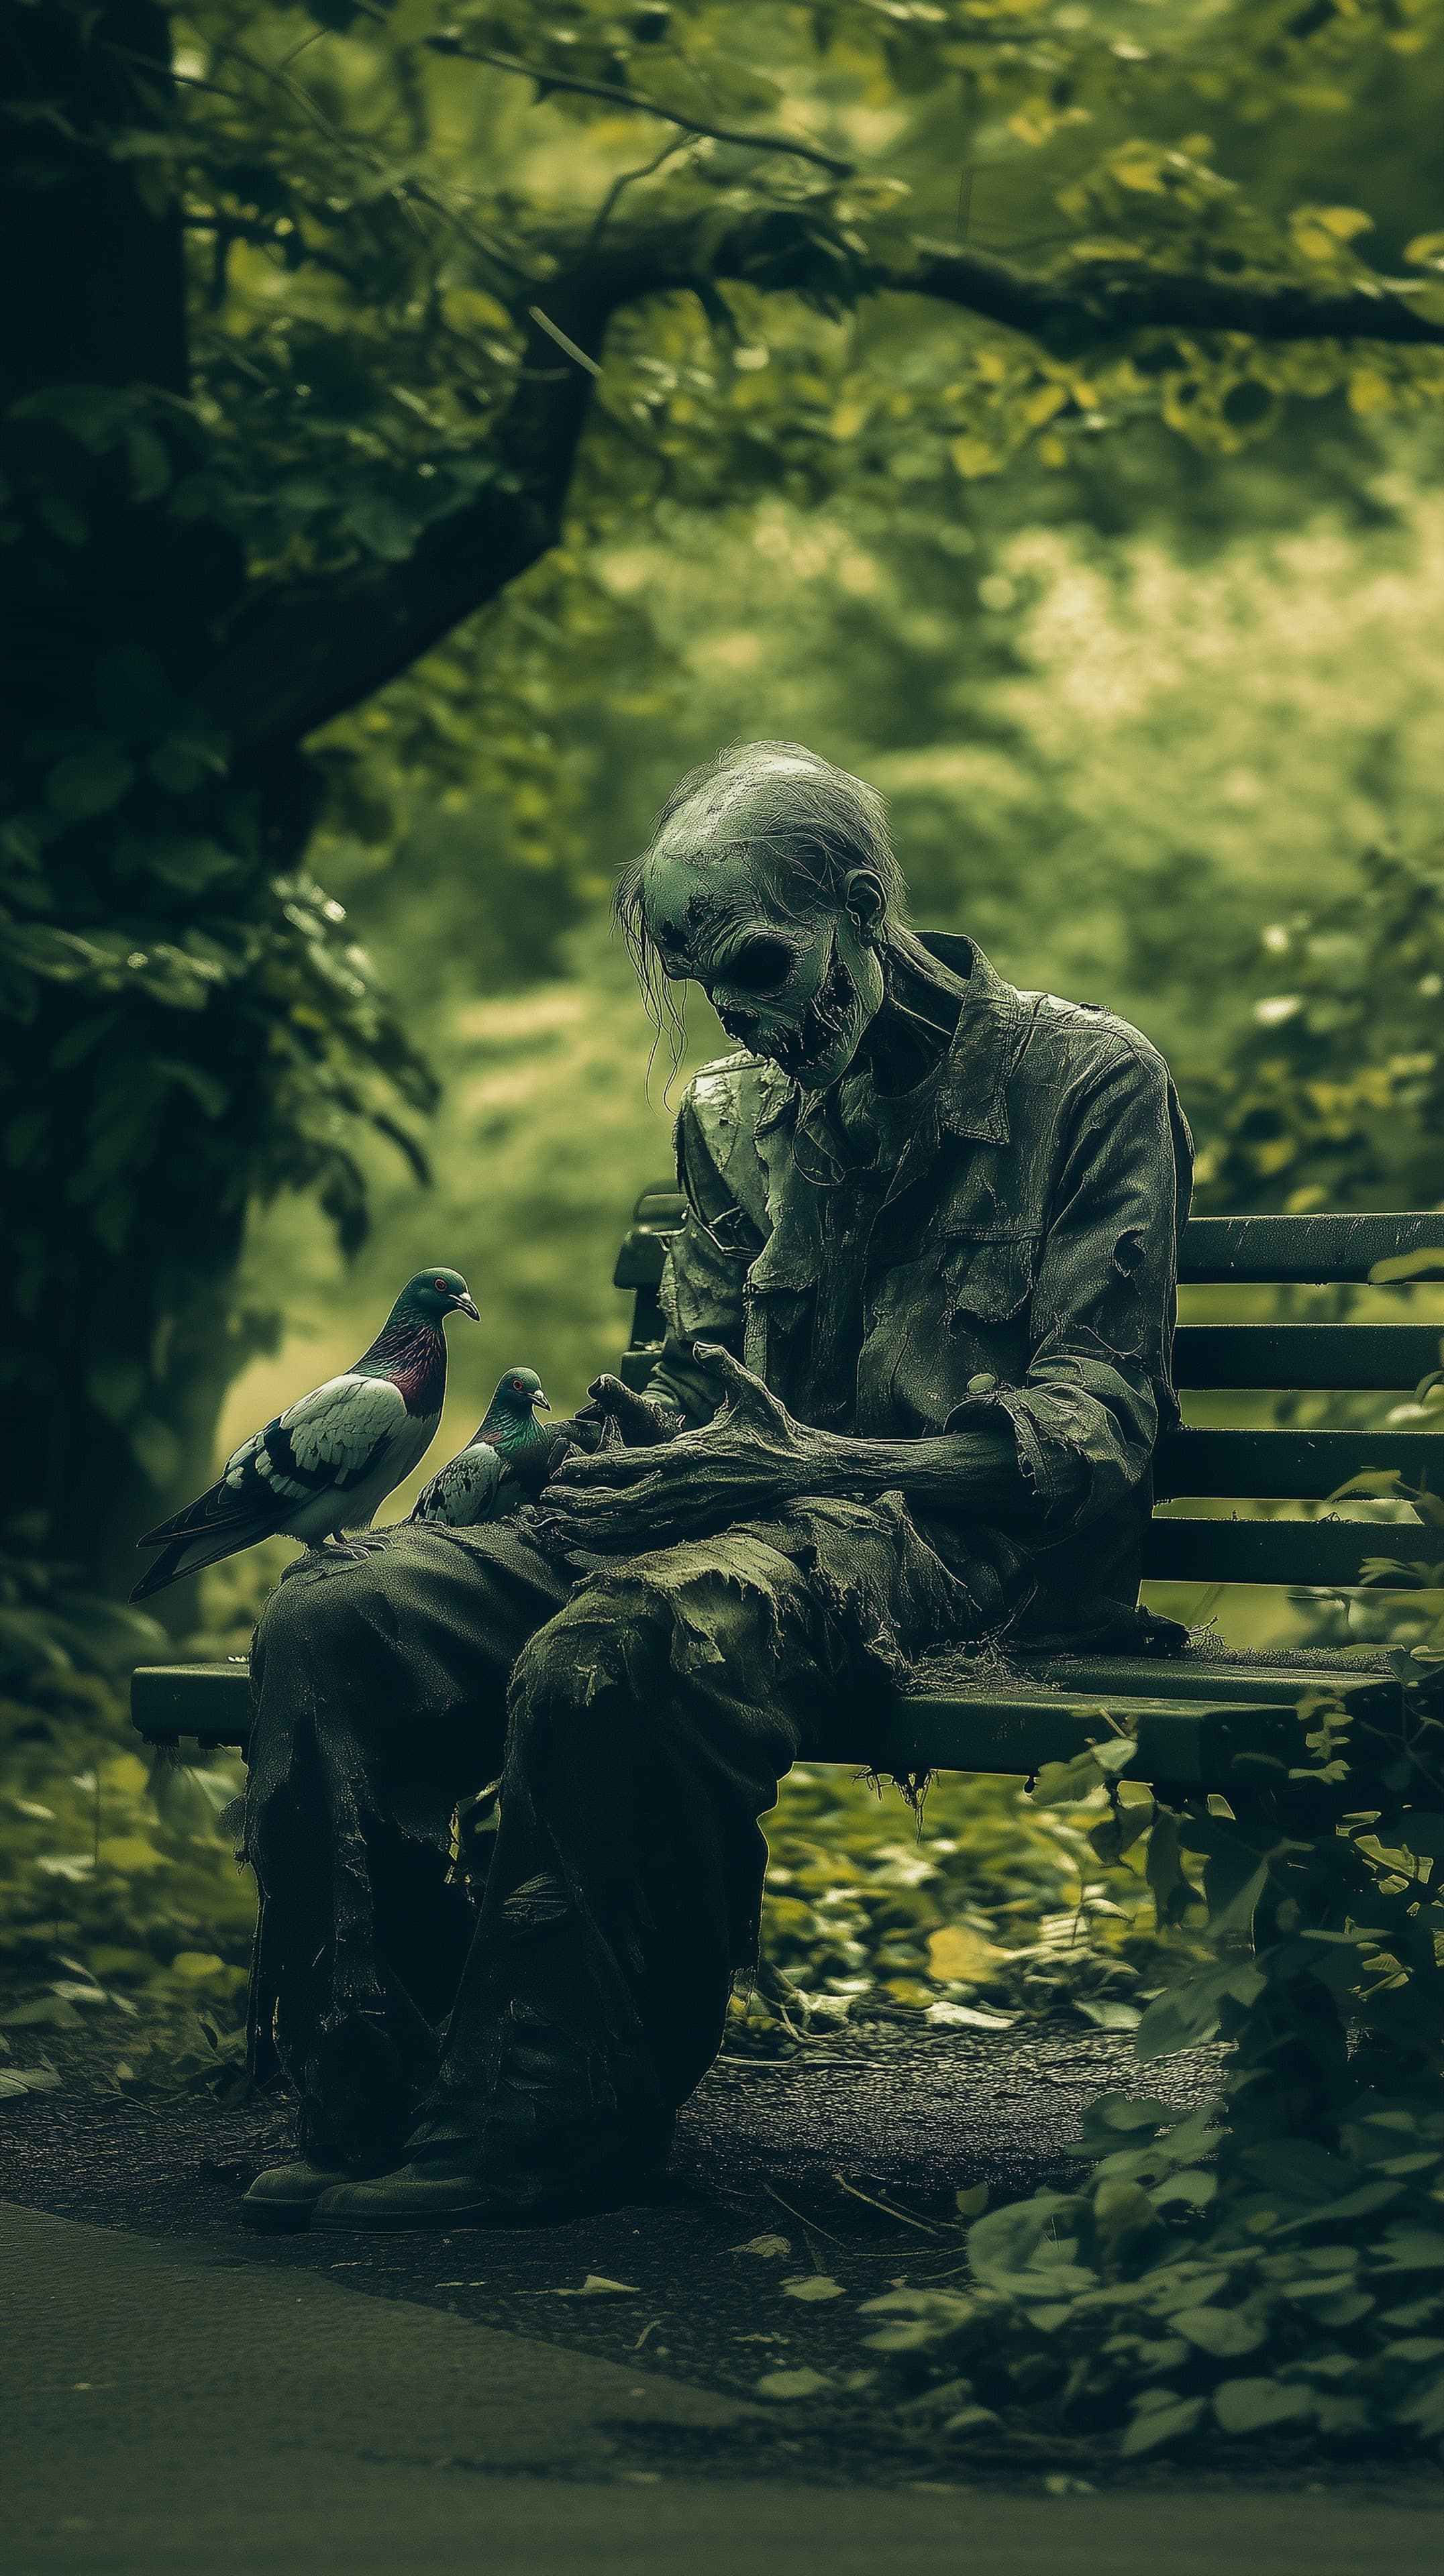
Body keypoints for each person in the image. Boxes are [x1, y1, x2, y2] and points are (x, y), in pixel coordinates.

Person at [239, 741, 1192, 2234]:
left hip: (942, 1540)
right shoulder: (731, 1115)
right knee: (339, 1614)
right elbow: (695, 1379)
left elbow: (1098, 1421)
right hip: (722, 1512)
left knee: (625, 1644)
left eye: (758, 963)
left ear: (861, 909)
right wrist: (585, 1454)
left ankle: (544, 2125)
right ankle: (371, 2094)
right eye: (705, 985)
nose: (740, 1014)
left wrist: (815, 1463)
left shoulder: (1081, 1080)